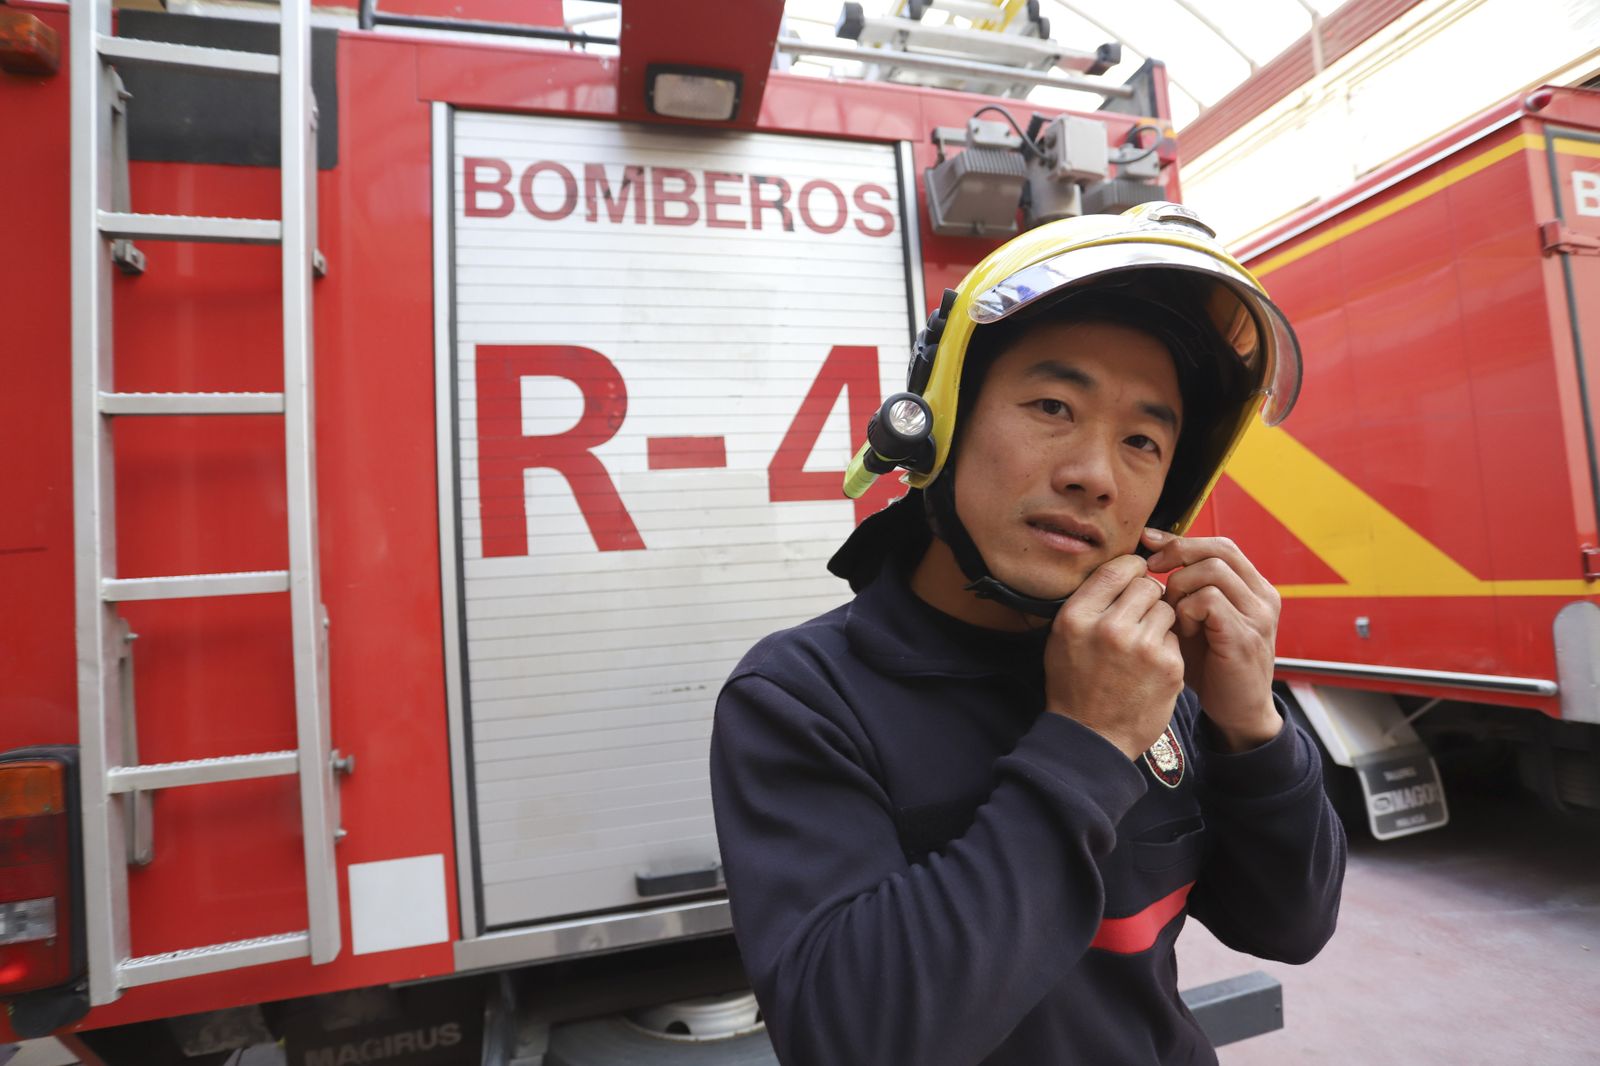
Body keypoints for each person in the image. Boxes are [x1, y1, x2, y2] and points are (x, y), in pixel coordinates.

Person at [709, 202, 1347, 1066]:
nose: (1092, 475)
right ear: (943, 420)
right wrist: (1086, 741)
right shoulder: (803, 697)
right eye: (1052, 405)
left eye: (1142, 441)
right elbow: (853, 1038)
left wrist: (1251, 726)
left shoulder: (1157, 669)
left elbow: (1291, 924)